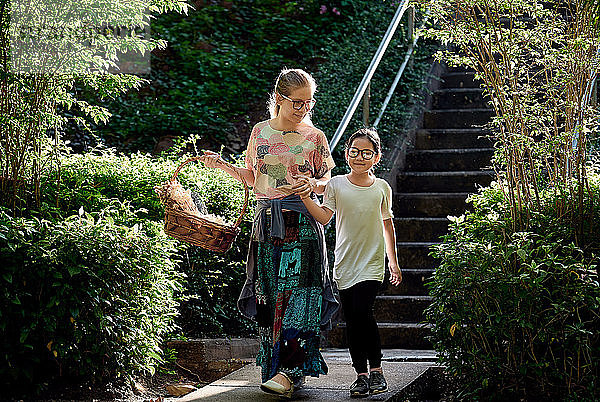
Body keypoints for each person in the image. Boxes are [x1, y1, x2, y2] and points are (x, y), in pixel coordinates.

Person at [199, 68, 338, 398]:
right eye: (297, 103)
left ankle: (290, 372)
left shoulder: (315, 137)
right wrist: (222, 166)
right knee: (270, 297)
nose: (304, 109)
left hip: (302, 224)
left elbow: (327, 182)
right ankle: (276, 370)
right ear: (278, 99)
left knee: (300, 296)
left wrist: (312, 185)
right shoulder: (260, 132)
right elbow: (252, 176)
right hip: (266, 224)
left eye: (308, 103)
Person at [296, 128, 402, 397]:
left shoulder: (382, 188)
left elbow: (388, 226)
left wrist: (394, 262)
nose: (360, 157)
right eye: (354, 151)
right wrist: (306, 197)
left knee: (364, 313)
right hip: (344, 263)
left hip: (372, 262)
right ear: (346, 154)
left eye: (367, 152)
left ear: (376, 157)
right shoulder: (336, 185)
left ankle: (377, 370)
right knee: (353, 319)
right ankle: (361, 375)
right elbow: (323, 217)